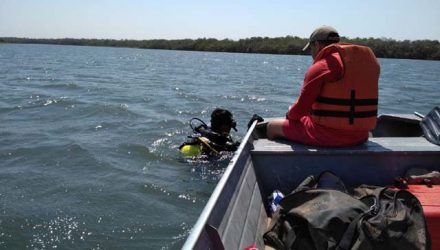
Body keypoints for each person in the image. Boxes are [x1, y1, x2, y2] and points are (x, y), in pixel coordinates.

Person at [266, 26, 380, 147]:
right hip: (360, 136)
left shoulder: (320, 67)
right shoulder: (364, 66)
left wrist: (290, 113)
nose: (311, 53)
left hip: (327, 136)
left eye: (310, 49)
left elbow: (299, 111)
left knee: (272, 127)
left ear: (317, 45)